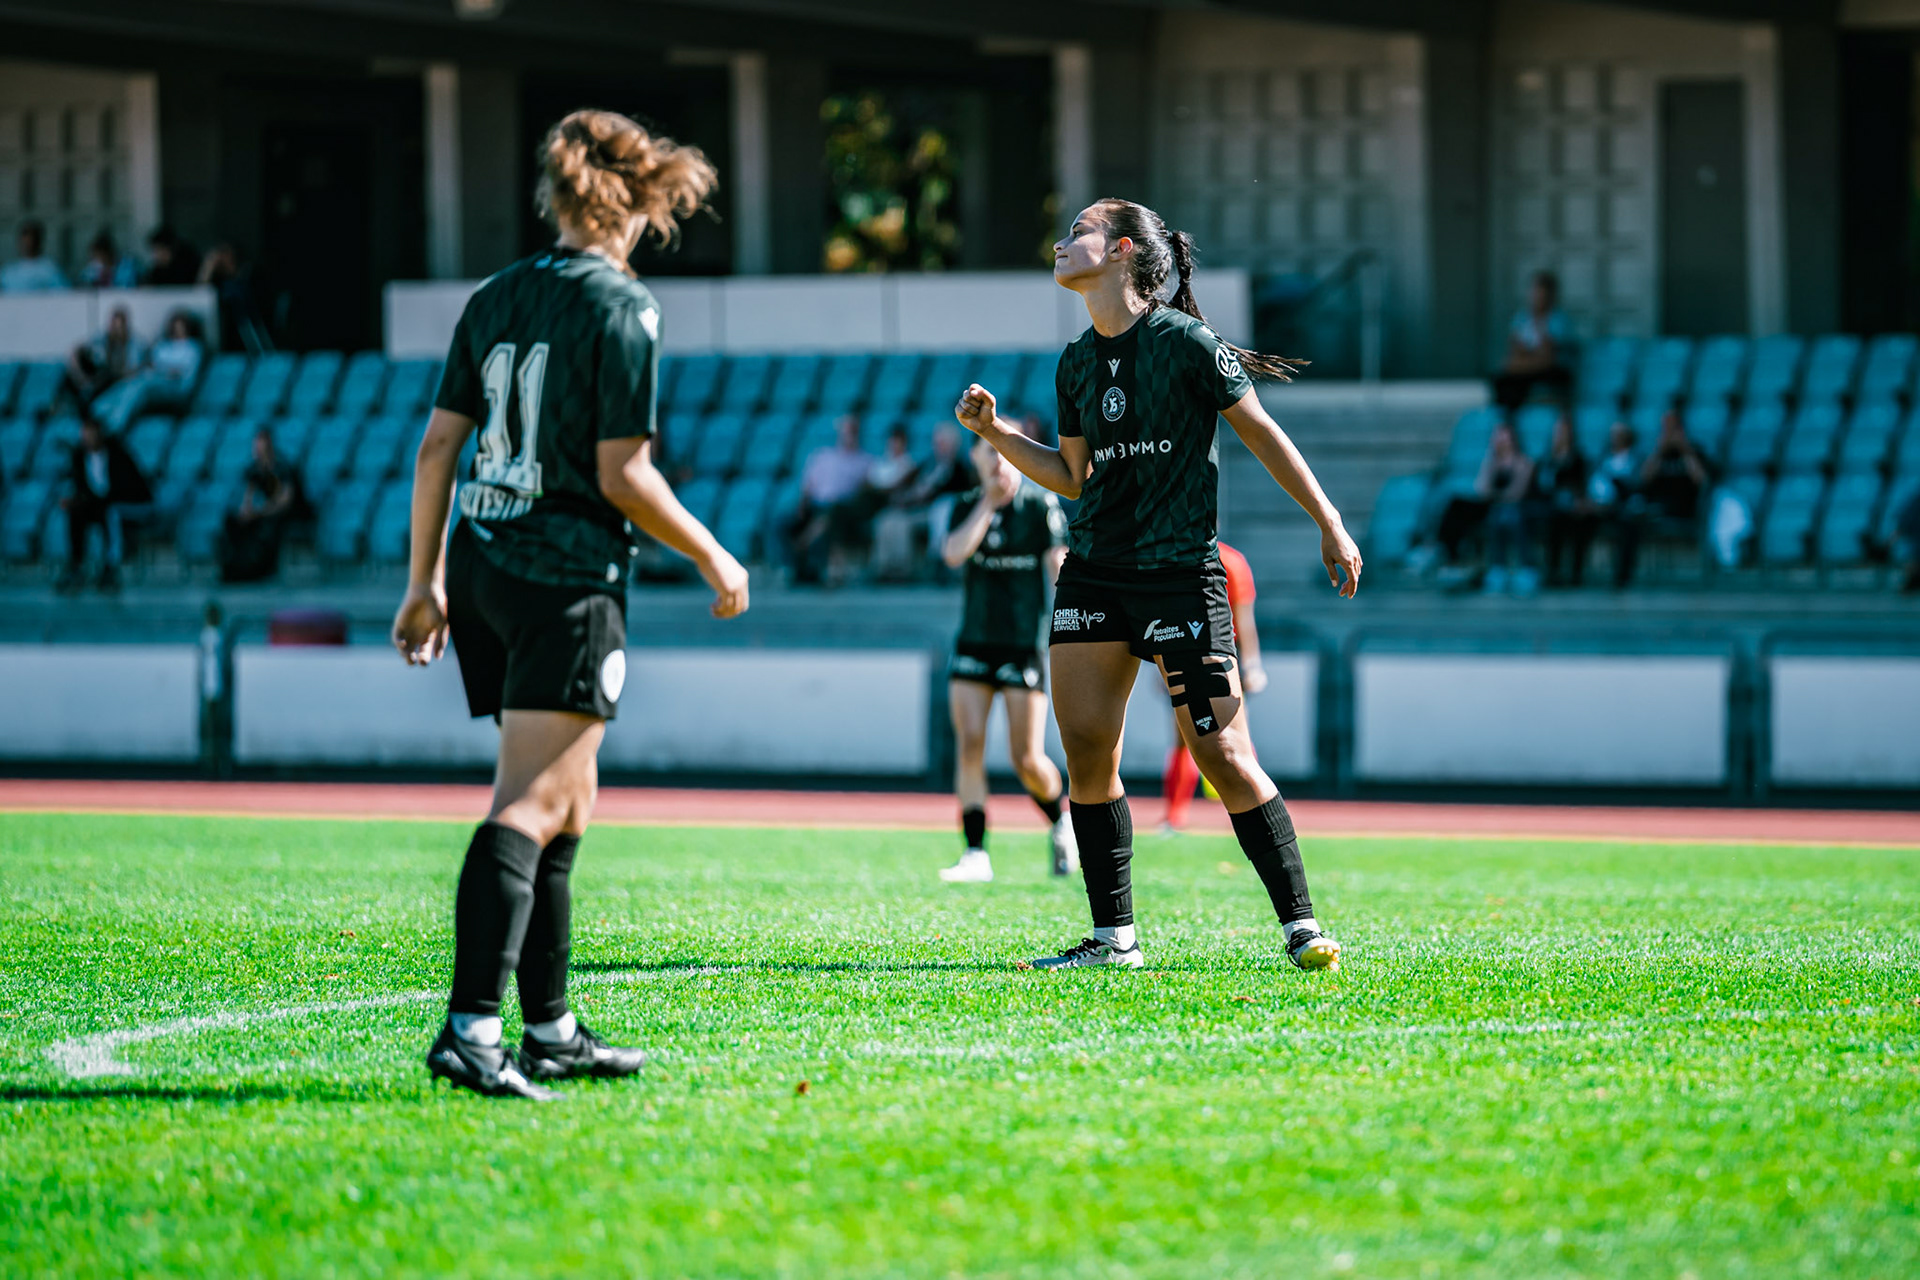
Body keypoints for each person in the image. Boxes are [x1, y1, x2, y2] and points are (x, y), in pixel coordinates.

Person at [391, 108, 746, 1101]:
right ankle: (471, 1027)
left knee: (570, 798)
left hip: (486, 560)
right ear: (634, 202)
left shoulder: (496, 293)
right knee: (535, 799)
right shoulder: (623, 306)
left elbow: (436, 449)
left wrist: (425, 584)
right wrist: (716, 554)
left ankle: (547, 1026)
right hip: (565, 575)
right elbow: (622, 473)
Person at [956, 197, 1359, 973]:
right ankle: (1115, 941)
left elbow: (1265, 435)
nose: (1061, 241)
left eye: (1078, 231)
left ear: (1124, 251)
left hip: (1181, 574)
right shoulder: (1075, 361)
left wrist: (1329, 521)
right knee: (1085, 752)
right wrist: (998, 436)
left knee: (1224, 754)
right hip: (1095, 573)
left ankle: (1301, 926)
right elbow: (1072, 479)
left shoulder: (1186, 343)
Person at [937, 430, 1074, 883]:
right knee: (970, 743)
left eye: (1003, 450)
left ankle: (1061, 821)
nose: (997, 461)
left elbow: (1059, 568)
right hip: (974, 642)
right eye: (988, 452)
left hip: (1022, 645)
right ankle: (975, 852)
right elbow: (954, 554)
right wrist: (988, 505)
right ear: (975, 458)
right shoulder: (967, 503)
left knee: (1026, 758)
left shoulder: (1038, 505)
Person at [1161, 540, 1265, 833]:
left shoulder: (1232, 562)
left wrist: (1252, 664)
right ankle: (1174, 816)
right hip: (1184, 656)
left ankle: (1255, 812)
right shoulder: (1175, 557)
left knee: (1235, 738)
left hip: (1224, 659)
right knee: (1184, 737)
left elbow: (1243, 619)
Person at [57, 413, 151, 593]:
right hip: (100, 503)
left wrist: (97, 501)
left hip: (131, 503)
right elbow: (83, 488)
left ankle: (111, 566)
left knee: (111, 512)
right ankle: (76, 567)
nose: (88, 437)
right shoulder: (79, 457)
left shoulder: (118, 454)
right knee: (75, 513)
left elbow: (126, 488)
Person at [783, 415, 873, 584]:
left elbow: (865, 492)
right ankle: (794, 567)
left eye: (852, 431)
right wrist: (802, 505)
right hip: (816, 505)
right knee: (782, 522)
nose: (849, 435)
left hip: (843, 510)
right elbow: (808, 486)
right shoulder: (822, 456)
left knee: (832, 515)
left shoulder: (865, 461)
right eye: (846, 431)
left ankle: (803, 544)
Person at [89, 311, 205, 431]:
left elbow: (188, 376)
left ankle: (115, 424)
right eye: (175, 327)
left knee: (141, 386)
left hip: (174, 386)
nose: (178, 331)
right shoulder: (163, 345)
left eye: (181, 328)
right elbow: (152, 364)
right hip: (154, 378)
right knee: (129, 383)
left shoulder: (193, 348)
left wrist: (169, 371)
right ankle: (98, 410)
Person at [218, 428, 302, 583]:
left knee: (269, 525)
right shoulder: (255, 468)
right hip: (263, 512)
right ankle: (235, 567)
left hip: (287, 513)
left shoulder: (282, 466)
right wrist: (246, 511)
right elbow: (248, 493)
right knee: (233, 522)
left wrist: (259, 512)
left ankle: (263, 569)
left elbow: (284, 501)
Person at [1491, 270, 1573, 415]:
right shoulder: (1522, 318)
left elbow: (1548, 357)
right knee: (1502, 381)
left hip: (1553, 370)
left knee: (1516, 375)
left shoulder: (1558, 320)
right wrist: (1526, 358)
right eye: (1535, 292)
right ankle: (1506, 424)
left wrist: (1525, 359)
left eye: (1542, 294)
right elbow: (1515, 350)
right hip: (1528, 369)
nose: (1537, 298)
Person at [1534, 414, 1595, 587]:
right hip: (1552, 507)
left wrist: (1579, 500)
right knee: (1554, 521)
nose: (1561, 435)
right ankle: (1553, 572)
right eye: (1558, 431)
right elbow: (1542, 487)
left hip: (1574, 506)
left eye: (1564, 431)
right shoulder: (1547, 460)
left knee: (1583, 521)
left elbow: (1584, 485)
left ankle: (1576, 573)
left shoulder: (1579, 458)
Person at [1477, 420, 1536, 595]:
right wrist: (1492, 463)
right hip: (1497, 508)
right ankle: (1498, 570)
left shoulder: (1524, 462)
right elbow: (1481, 488)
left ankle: (1524, 569)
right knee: (1498, 515)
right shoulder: (1491, 463)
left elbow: (1517, 492)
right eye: (1498, 438)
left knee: (1509, 514)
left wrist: (1496, 494)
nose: (1502, 442)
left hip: (1521, 508)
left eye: (1505, 438)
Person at [58, 307, 141, 418]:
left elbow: (133, 370)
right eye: (113, 326)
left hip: (119, 382)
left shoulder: (135, 343)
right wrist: (81, 376)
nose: (115, 330)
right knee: (71, 378)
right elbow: (76, 351)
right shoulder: (101, 338)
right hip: (98, 378)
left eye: (118, 327)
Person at [1588, 422, 1643, 588]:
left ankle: (1622, 576)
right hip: (1602, 507)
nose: (1616, 438)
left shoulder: (1636, 459)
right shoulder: (1604, 459)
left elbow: (1637, 486)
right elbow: (1596, 483)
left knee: (1627, 526)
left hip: (1624, 508)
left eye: (1619, 434)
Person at [1, 221, 68, 293]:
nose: (28, 244)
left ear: (39, 241)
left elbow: (64, 294)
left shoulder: (50, 269)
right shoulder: (9, 271)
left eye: (32, 239)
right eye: (25, 240)